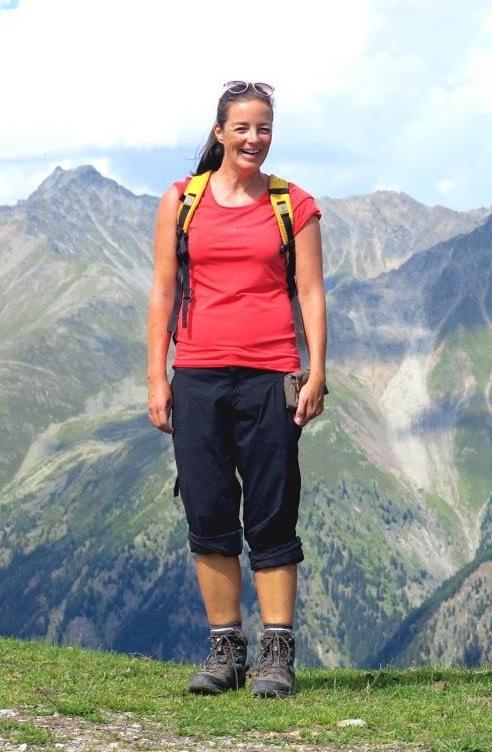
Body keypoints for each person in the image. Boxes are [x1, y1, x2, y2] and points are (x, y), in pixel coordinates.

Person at [146, 81, 327, 698]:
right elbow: (163, 292)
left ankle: (277, 656)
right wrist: (157, 376)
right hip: (197, 373)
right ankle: (225, 653)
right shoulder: (181, 200)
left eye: (264, 128)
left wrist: (316, 370)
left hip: (271, 374)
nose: (254, 139)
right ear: (219, 132)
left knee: (273, 513)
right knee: (208, 511)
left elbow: (311, 293)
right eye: (243, 128)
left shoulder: (293, 204)